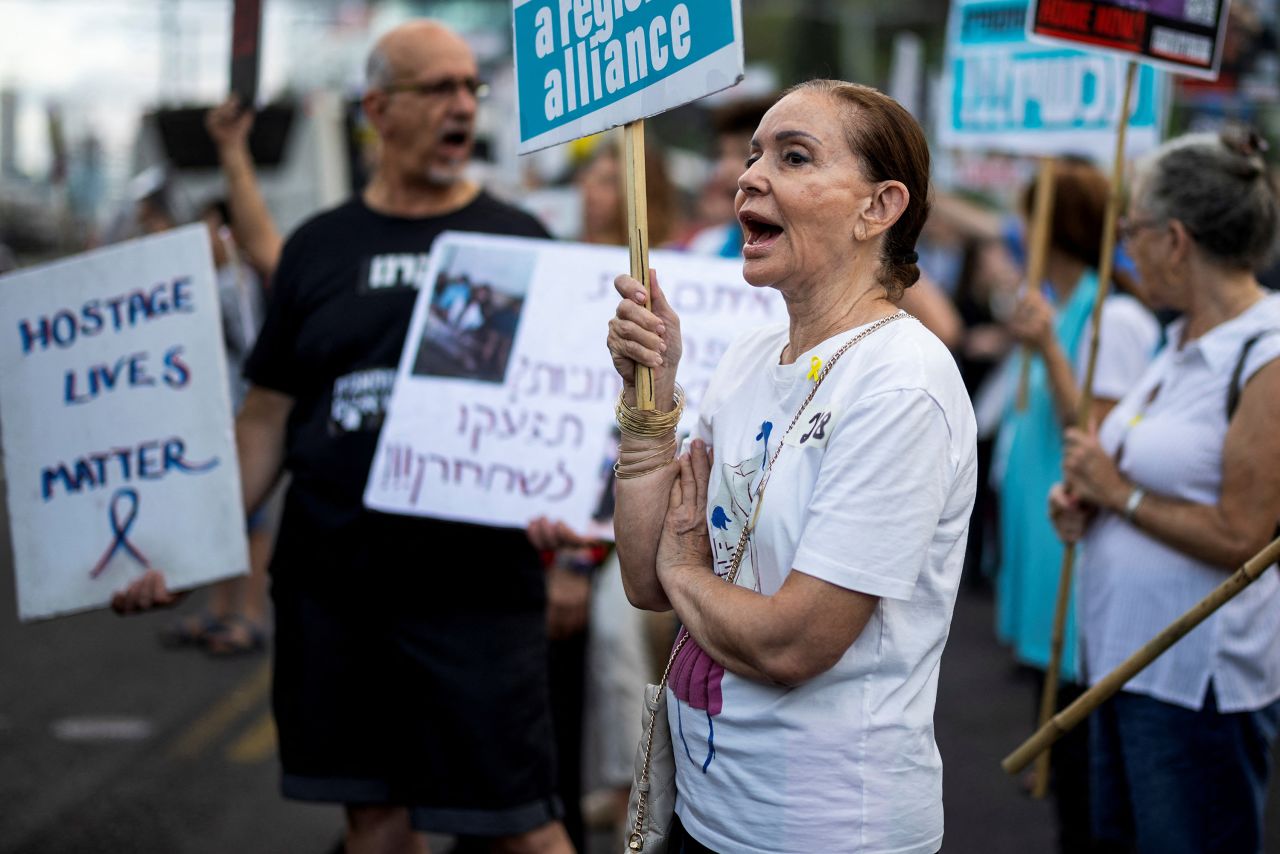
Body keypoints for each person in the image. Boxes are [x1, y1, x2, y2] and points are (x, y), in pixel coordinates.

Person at [114, 20, 570, 854]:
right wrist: (184, 542)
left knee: (521, 829)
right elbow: (267, 416)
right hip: (336, 591)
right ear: (378, 109)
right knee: (376, 823)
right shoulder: (319, 249)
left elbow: (561, 424)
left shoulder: (520, 241)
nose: (462, 104)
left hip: (476, 594)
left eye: (472, 87)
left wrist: (573, 540)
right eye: (439, 88)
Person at [605, 79, 977, 853]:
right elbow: (645, 577)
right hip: (708, 811)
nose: (749, 176)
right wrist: (651, 400)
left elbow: (794, 644)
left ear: (879, 208)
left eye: (794, 156)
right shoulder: (749, 357)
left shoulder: (902, 383)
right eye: (752, 156)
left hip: (827, 828)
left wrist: (686, 569)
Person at [1050, 128, 1280, 854]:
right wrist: (1084, 499)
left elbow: (1245, 535)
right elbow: (1124, 474)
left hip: (1191, 685)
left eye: (1137, 231)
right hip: (1121, 661)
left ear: (1177, 240)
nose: (1128, 249)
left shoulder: (1265, 350)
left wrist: (1119, 496)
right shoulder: (1180, 339)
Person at [994, 158, 1160, 850]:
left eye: (1031, 217)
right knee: (1063, 751)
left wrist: (1048, 352)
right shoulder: (1061, 309)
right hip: (1042, 536)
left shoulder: (1114, 317)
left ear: (1055, 229)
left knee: (1083, 759)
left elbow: (1099, 438)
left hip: (1079, 548)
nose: (1018, 231)